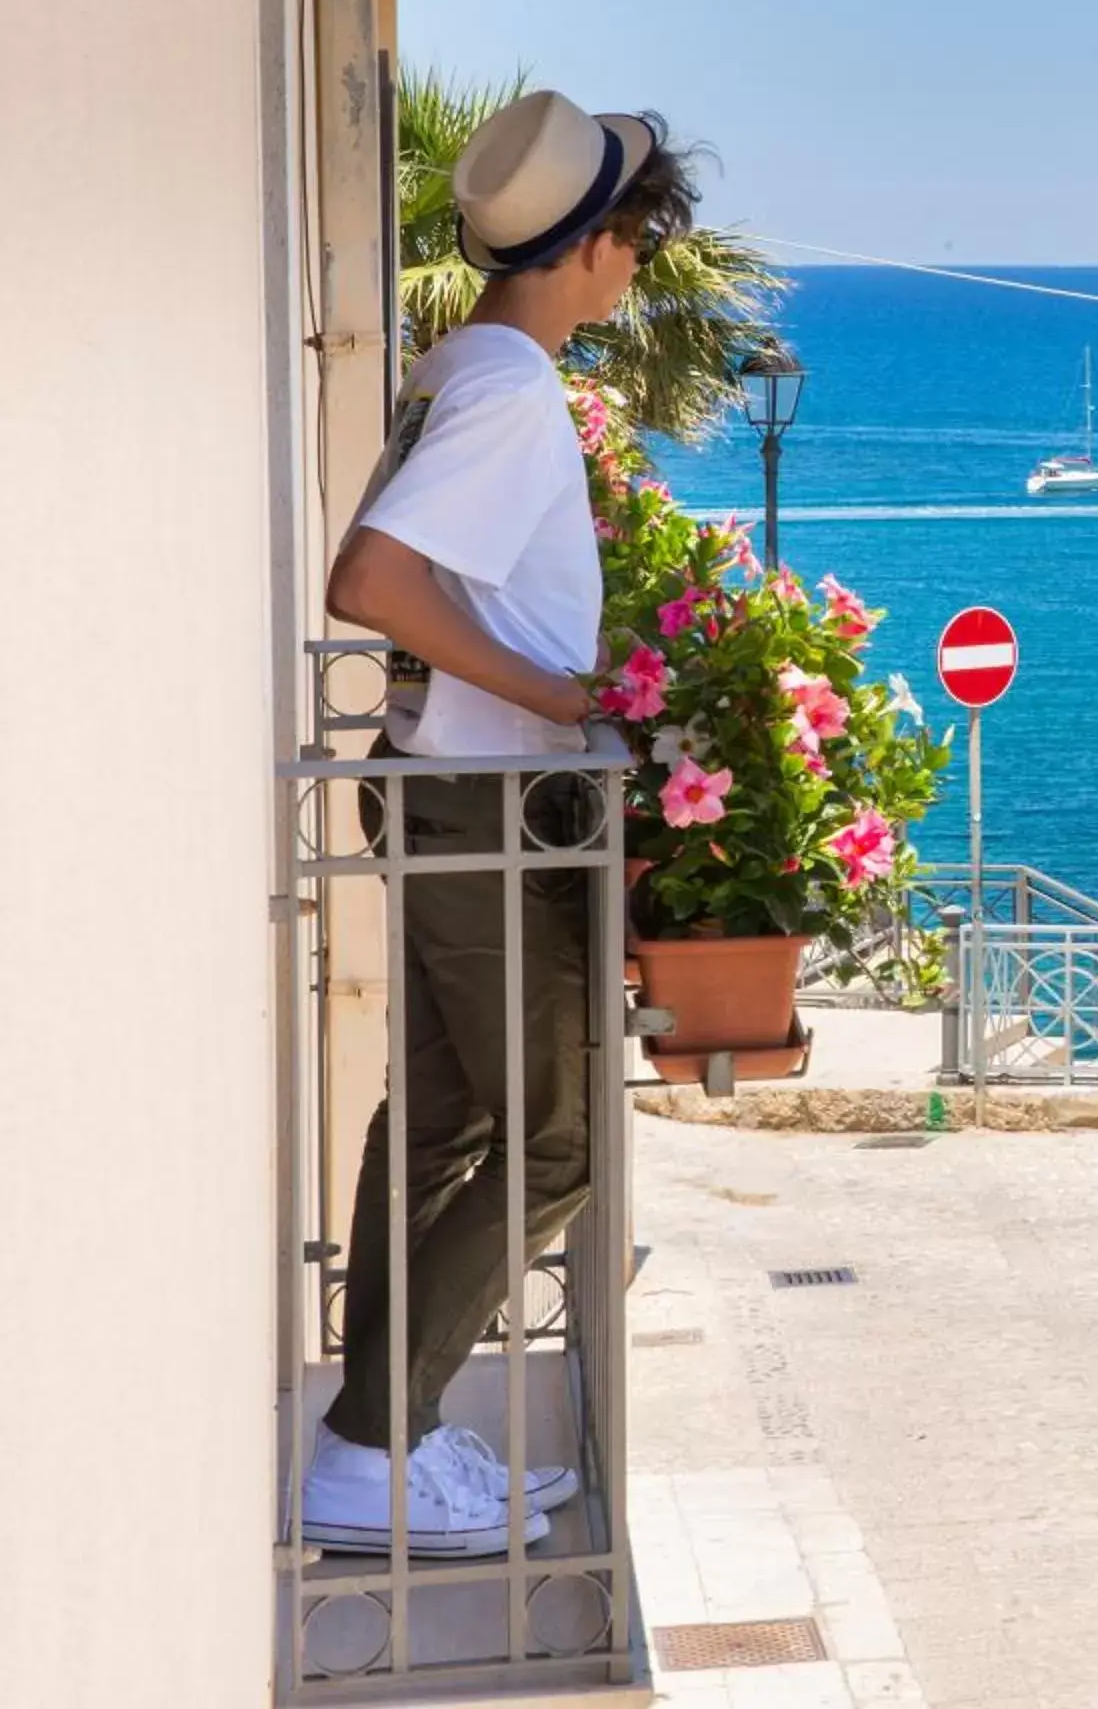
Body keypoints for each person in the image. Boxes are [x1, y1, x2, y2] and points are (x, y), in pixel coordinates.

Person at [303, 90, 695, 1557]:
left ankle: (385, 1439)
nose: (643, 263)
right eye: (640, 237)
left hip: (435, 784)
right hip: (482, 802)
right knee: (561, 1143)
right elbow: (375, 580)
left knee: (451, 1118)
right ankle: (364, 1448)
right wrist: (569, 698)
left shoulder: (454, 366)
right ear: (593, 247)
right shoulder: (510, 392)